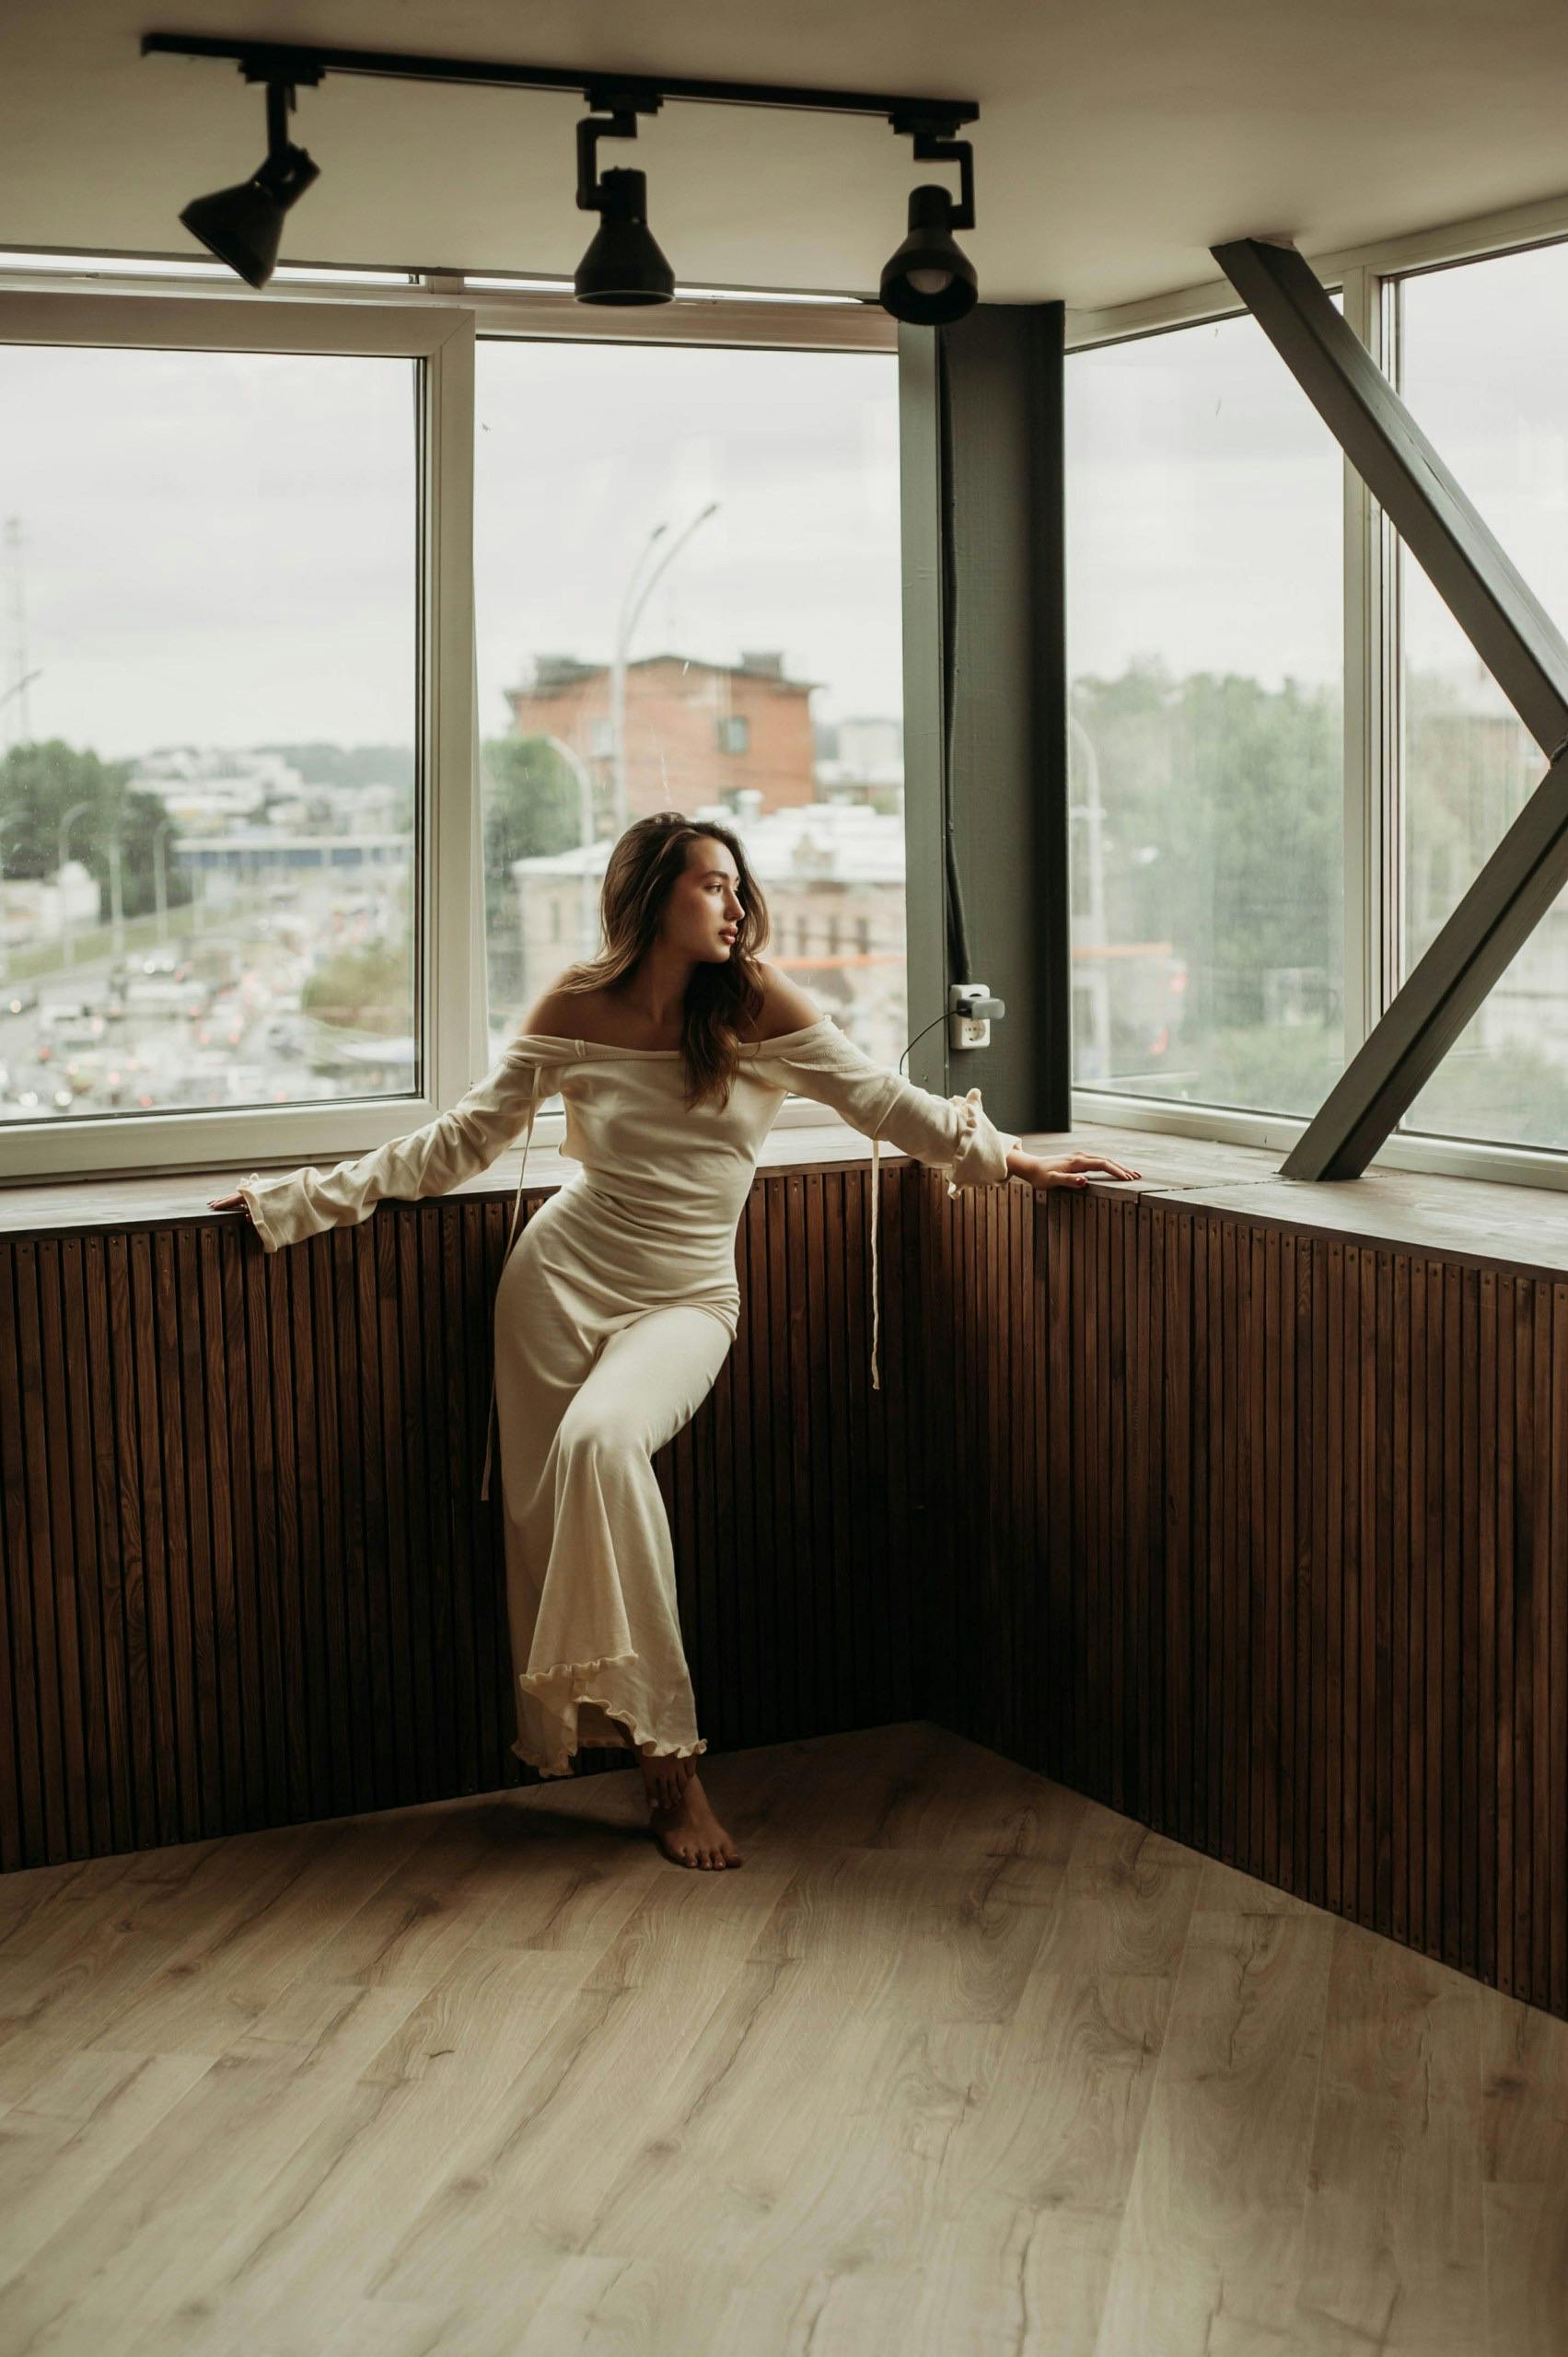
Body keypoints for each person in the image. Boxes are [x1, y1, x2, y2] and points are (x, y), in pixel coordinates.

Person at [209, 812, 1141, 1870]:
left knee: (601, 1445)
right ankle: (631, 1750)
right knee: (544, 1521)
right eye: (712, 886)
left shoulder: (755, 1000)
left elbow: (883, 1102)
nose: (736, 906)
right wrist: (296, 1200)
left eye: (739, 889)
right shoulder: (574, 1004)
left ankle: (669, 1764)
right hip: (555, 1282)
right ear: (651, 897)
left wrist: (1020, 1163)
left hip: (687, 1296)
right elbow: (458, 1141)